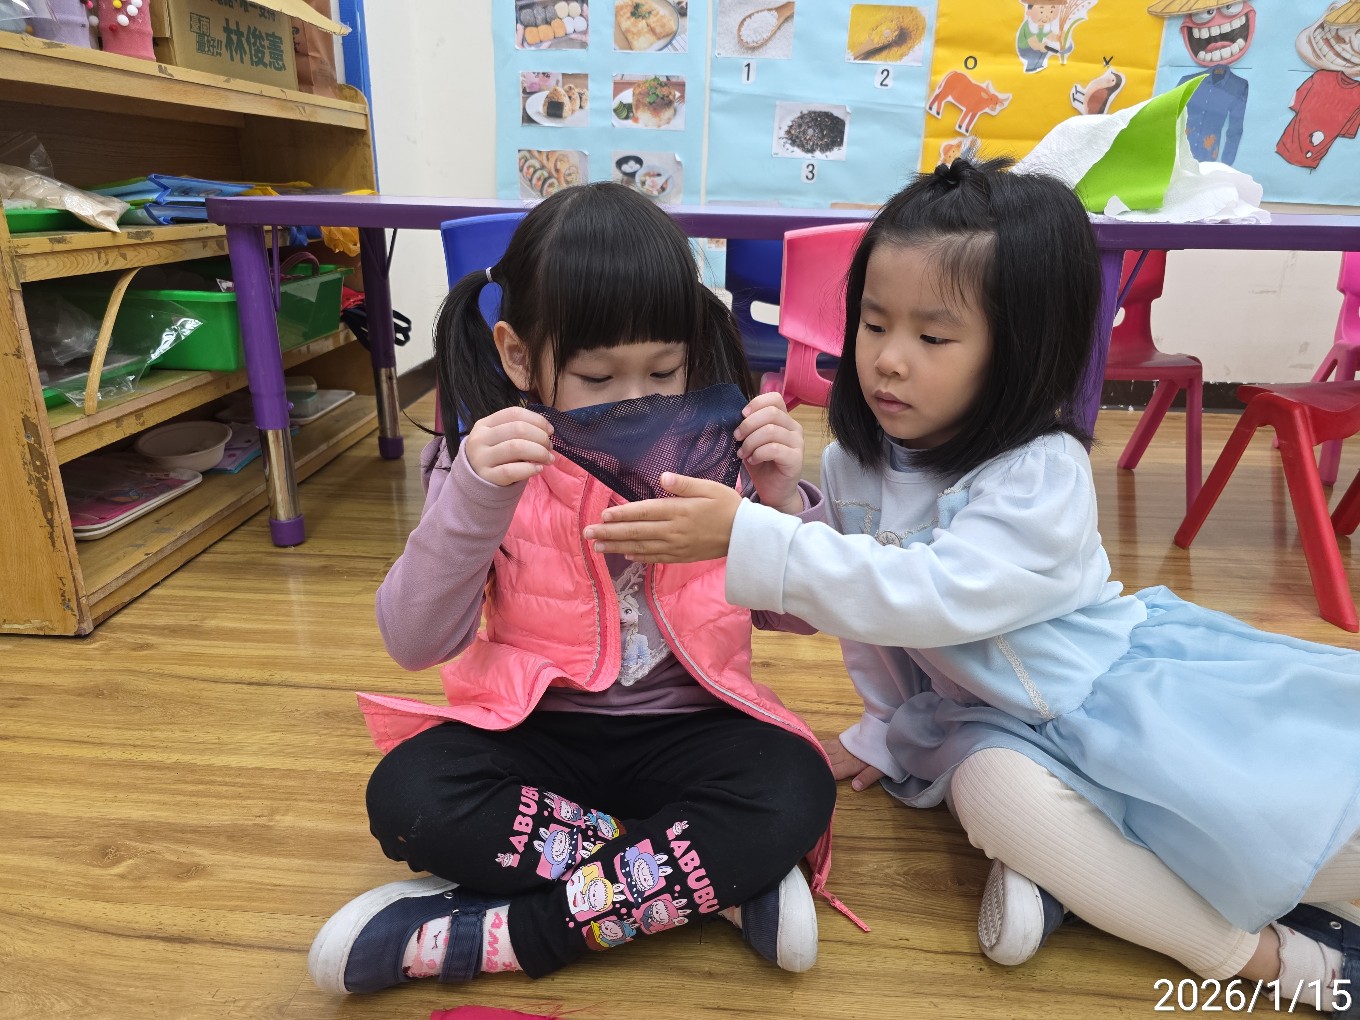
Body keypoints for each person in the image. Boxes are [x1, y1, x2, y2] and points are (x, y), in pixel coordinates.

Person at [584, 158, 1360, 1015]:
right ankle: (1239, 947)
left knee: (1278, 826)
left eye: (934, 338)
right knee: (991, 796)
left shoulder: (1041, 473)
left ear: (1019, 350)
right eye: (873, 323)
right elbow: (864, 618)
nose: (888, 360)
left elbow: (929, 595)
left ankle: (1168, 913)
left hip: (1106, 697)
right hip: (992, 725)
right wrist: (790, 522)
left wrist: (752, 535)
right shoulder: (856, 462)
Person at [306, 182, 842, 996]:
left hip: (695, 732)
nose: (637, 400)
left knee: (795, 789)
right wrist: (474, 497)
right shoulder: (484, 463)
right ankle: (695, 878)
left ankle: (512, 933)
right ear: (519, 357)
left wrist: (778, 506)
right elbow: (414, 642)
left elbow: (799, 619)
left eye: (664, 370)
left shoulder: (722, 450)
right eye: (596, 376)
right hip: (538, 735)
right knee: (410, 795)